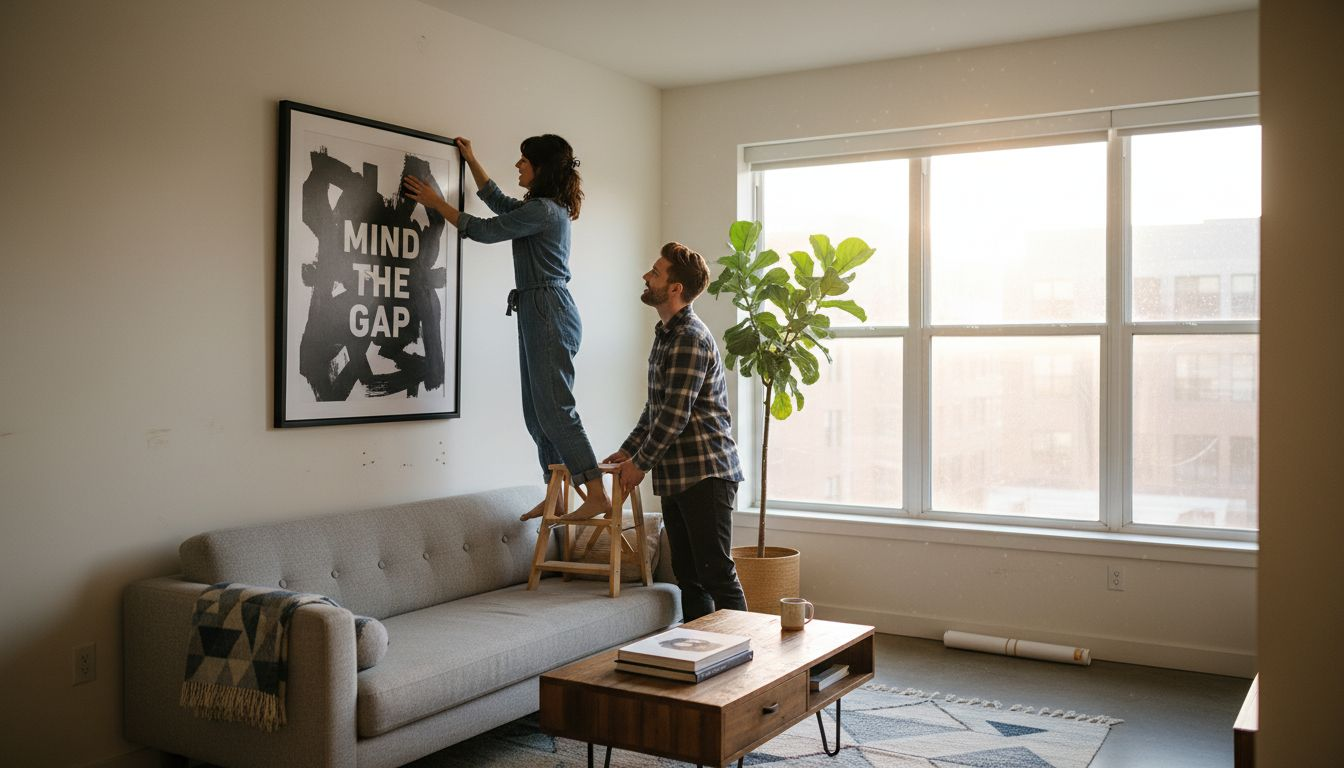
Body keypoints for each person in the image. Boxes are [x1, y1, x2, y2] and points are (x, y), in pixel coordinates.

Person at [403, 136, 609, 521]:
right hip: (537, 308)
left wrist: (436, 203)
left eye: (524, 161)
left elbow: (483, 230)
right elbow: (497, 202)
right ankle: (557, 495)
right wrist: (471, 159)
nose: (518, 166)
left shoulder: (546, 212)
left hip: (548, 309)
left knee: (557, 411)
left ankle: (595, 492)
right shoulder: (540, 209)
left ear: (541, 168)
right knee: (537, 414)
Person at [604, 242, 748, 622]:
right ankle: (704, 660)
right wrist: (628, 450)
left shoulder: (689, 337)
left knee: (715, 573)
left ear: (674, 288)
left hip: (706, 473)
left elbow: (674, 415)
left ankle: (752, 661)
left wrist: (641, 464)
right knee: (690, 579)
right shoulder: (666, 334)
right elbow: (656, 407)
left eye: (655, 272)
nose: (646, 276)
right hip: (677, 475)